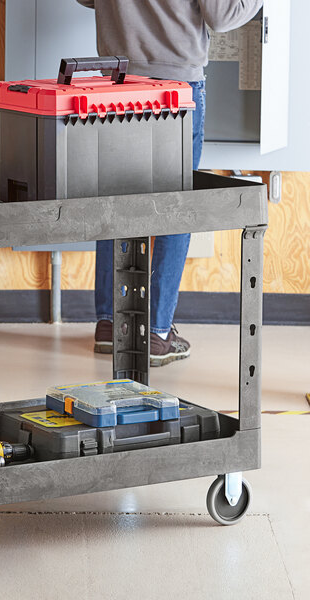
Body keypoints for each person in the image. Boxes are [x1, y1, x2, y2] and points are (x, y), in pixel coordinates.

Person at [77, 0, 263, 366]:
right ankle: (157, 332)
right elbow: (223, 16)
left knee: (113, 200)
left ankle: (111, 323)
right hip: (175, 85)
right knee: (175, 210)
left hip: (119, 81)